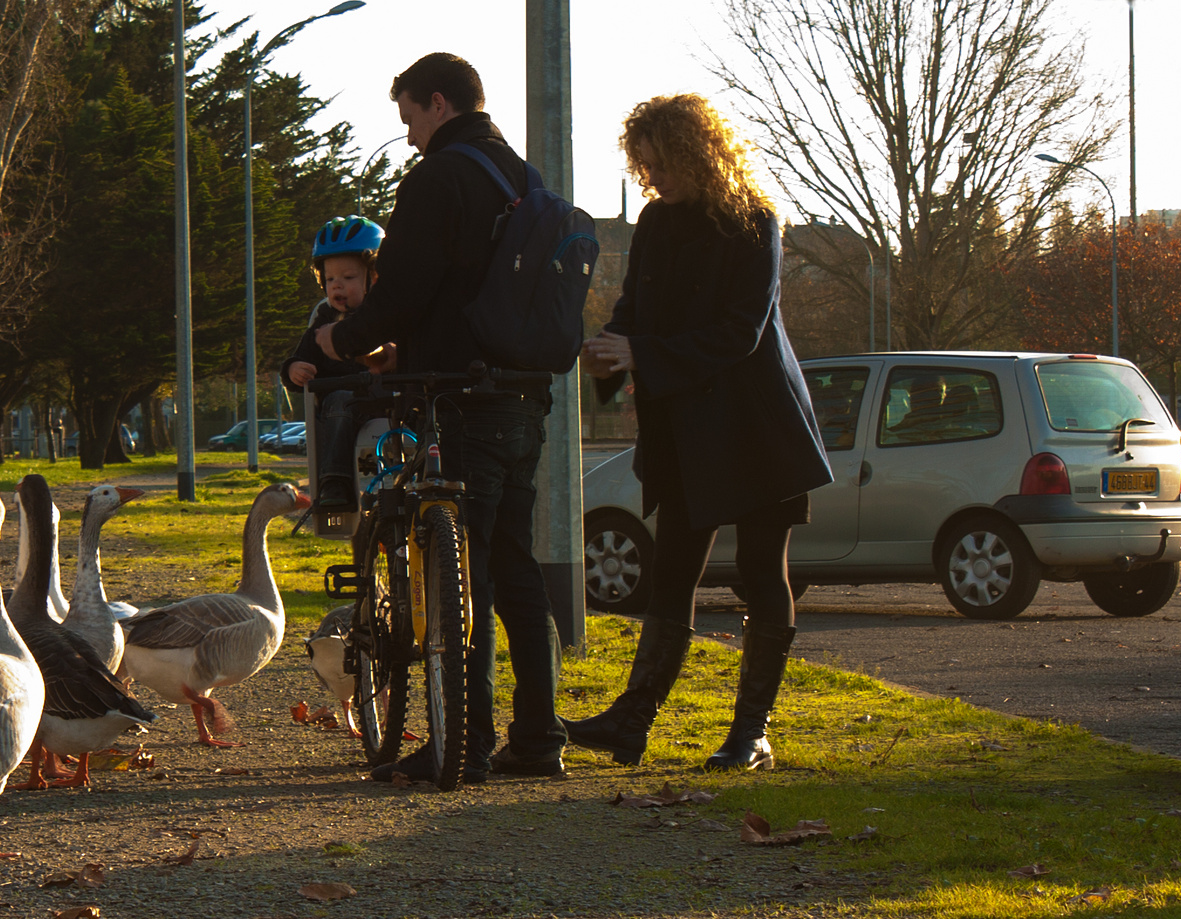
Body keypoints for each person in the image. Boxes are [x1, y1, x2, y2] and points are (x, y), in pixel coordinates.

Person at [314, 52, 565, 782]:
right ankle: (537, 736)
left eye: (409, 121)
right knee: (515, 568)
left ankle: (464, 743)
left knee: (464, 577)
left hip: (460, 396)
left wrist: (344, 340)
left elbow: (407, 286)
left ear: (436, 103)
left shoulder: (439, 177)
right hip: (523, 391)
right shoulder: (521, 177)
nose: (410, 138)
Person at [569, 93, 833, 771]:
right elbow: (634, 309)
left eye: (656, 164)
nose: (648, 178)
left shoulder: (753, 221)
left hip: (756, 423)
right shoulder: (656, 222)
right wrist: (607, 349)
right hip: (687, 426)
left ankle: (751, 733)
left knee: (757, 572)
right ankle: (632, 722)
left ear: (693, 153)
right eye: (641, 165)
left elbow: (739, 332)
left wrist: (642, 355)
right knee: (671, 568)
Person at [282, 214, 395, 511]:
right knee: (338, 402)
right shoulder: (323, 322)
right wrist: (294, 370)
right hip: (344, 405)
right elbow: (301, 358)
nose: (338, 287)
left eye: (348, 278)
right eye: (330, 279)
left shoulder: (390, 317)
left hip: (387, 401)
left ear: (375, 278)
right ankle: (335, 481)